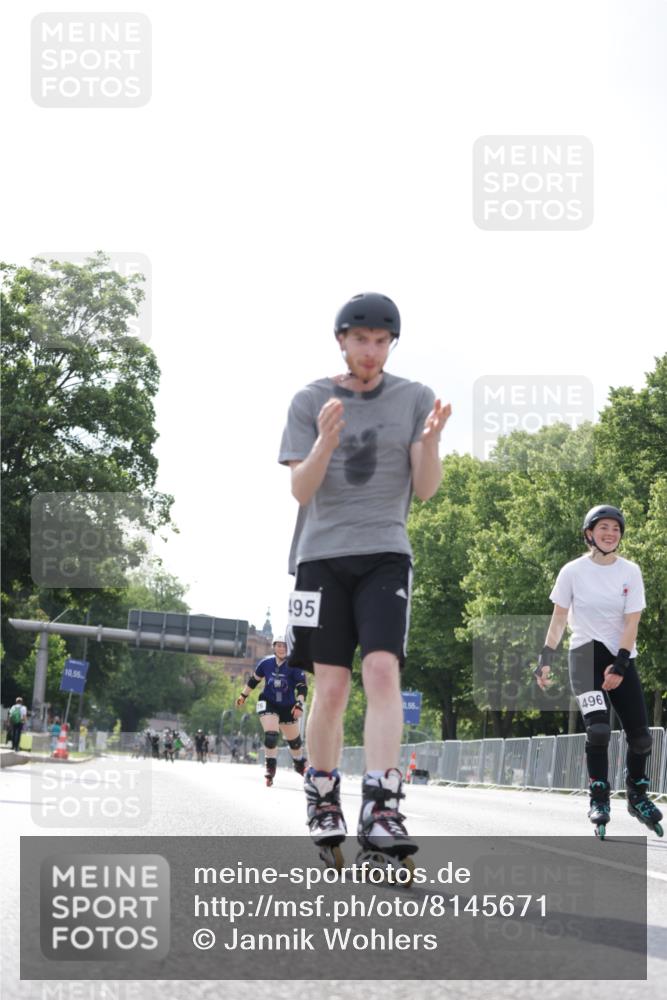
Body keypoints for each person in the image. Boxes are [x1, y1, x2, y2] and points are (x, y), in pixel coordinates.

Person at [278, 292, 450, 867]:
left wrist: (431, 442)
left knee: (381, 670)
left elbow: (426, 489)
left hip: (385, 554)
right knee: (330, 686)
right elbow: (301, 490)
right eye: (360, 340)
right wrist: (325, 440)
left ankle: (381, 805)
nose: (371, 351)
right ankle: (323, 794)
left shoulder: (414, 398)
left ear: (391, 343)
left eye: (381, 341)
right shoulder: (310, 399)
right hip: (319, 558)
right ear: (341, 341)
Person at [535, 504, 663, 839]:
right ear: (589, 533)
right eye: (603, 528)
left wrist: (620, 663)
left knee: (641, 737)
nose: (610, 533)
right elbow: (559, 618)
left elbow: (632, 621)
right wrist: (546, 656)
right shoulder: (572, 571)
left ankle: (636, 794)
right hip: (583, 657)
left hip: (621, 656)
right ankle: (599, 798)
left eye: (616, 529)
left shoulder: (630, 571)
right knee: (599, 730)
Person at [236, 636, 308, 786]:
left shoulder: (295, 664)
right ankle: (270, 768)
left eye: (285, 646)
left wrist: (299, 704)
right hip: (268, 702)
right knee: (271, 736)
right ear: (274, 647)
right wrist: (243, 696)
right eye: (279, 645)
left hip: (288, 706)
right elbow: (253, 681)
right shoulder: (265, 663)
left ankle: (299, 764)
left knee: (295, 743)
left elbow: (302, 687)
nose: (282, 649)